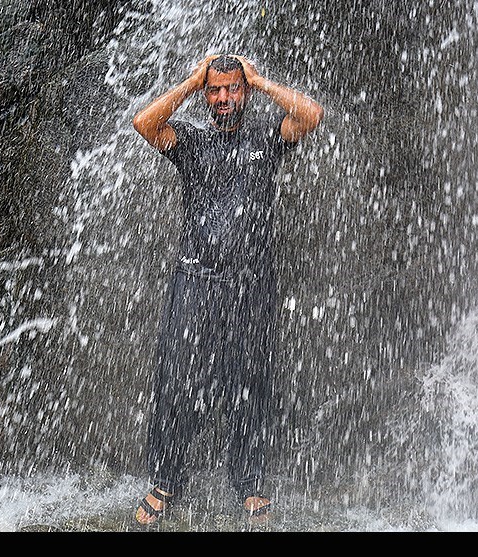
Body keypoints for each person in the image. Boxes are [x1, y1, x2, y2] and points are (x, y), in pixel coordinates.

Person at [131, 54, 323, 526]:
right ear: (206, 93)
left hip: (251, 284)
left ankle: (250, 483)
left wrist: (261, 80)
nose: (223, 97)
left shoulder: (266, 139)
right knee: (177, 380)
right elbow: (144, 123)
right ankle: (166, 480)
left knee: (249, 382)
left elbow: (311, 115)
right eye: (215, 90)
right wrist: (191, 81)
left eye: (232, 88)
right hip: (195, 280)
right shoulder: (191, 142)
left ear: (244, 91)